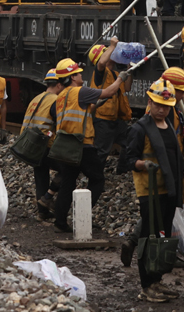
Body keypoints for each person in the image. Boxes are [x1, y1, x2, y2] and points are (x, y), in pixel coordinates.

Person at [119, 80, 184, 303]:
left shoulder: (168, 125)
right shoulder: (141, 128)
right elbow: (128, 159)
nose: (162, 109)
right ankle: (146, 284)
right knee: (149, 235)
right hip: (149, 191)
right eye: (159, 104)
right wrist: (142, 165)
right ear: (150, 102)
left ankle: (157, 279)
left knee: (163, 234)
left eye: (166, 105)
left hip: (167, 190)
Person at [48, 58, 126, 234]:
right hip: (83, 145)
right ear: (72, 77)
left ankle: (60, 222)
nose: (81, 74)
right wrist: (120, 78)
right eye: (78, 72)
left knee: (68, 183)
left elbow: (83, 110)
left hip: (66, 146)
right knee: (98, 180)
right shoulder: (79, 92)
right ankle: (81, 216)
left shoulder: (61, 97)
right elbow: (107, 92)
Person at [23, 69, 63, 222]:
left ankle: (42, 212)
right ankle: (48, 198)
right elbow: (59, 123)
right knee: (67, 169)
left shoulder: (36, 98)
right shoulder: (55, 100)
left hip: (31, 146)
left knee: (41, 176)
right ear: (58, 85)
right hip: (43, 146)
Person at [88, 40, 132, 160]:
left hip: (116, 118)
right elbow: (101, 63)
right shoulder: (99, 73)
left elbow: (127, 87)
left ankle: (122, 170)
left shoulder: (114, 74)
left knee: (128, 144)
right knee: (102, 152)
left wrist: (129, 69)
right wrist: (112, 45)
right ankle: (96, 177)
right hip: (103, 120)